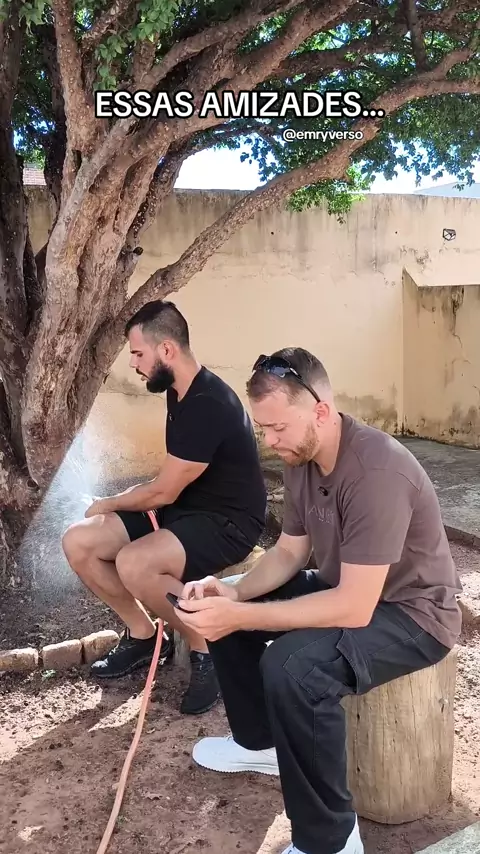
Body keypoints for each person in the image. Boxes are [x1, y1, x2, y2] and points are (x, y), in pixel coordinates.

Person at [174, 347, 462, 854]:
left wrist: (243, 613)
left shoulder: (376, 470)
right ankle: (260, 744)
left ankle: (331, 841)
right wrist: (233, 593)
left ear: (321, 412)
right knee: (223, 603)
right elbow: (289, 552)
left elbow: (354, 607)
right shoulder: (301, 458)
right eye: (263, 428)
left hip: (414, 614)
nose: (269, 441)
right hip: (349, 589)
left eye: (277, 427)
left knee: (294, 668)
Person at [62, 300, 266, 715]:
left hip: (228, 522)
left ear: (167, 350)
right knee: (78, 542)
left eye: (138, 353)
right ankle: (143, 635)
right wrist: (111, 508)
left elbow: (161, 493)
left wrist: (107, 502)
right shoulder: (178, 391)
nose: (133, 364)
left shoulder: (209, 404)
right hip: (186, 508)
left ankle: (207, 647)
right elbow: (170, 484)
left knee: (135, 563)